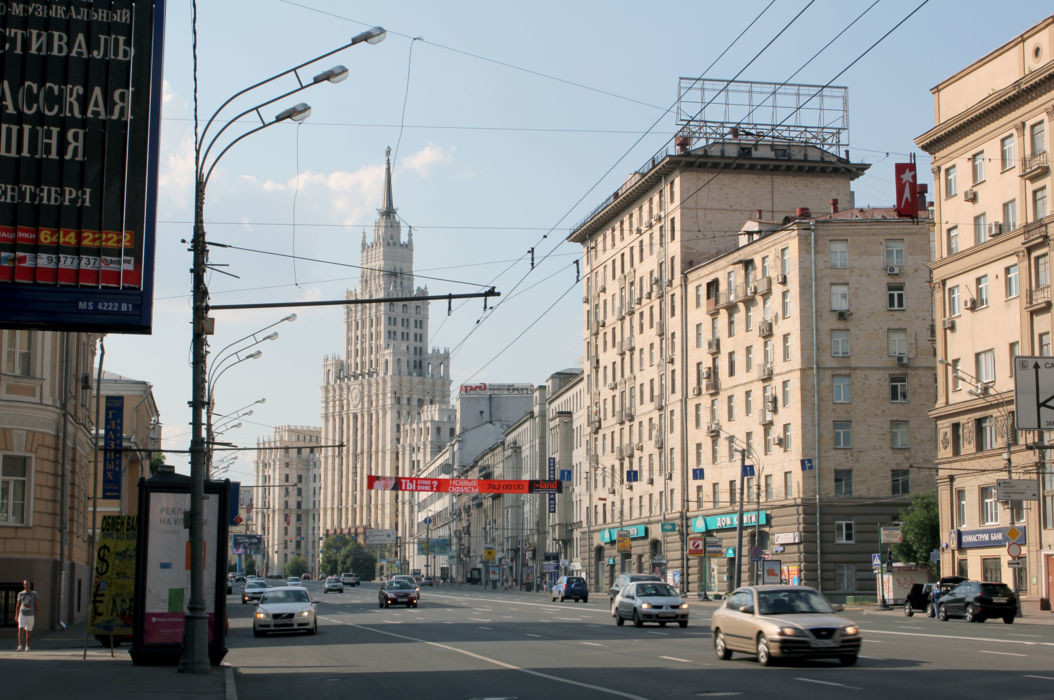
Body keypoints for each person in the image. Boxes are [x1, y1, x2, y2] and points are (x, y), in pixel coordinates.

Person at [16, 579, 38, 652]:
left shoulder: (34, 594)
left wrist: (36, 613)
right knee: (21, 628)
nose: (26, 585)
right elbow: (18, 605)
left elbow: (36, 604)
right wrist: (16, 615)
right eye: (25, 584)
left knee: (28, 630)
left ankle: (27, 646)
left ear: (30, 585)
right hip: (22, 614)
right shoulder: (21, 594)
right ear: (23, 585)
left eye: (28, 584)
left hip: (30, 614)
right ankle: (20, 645)